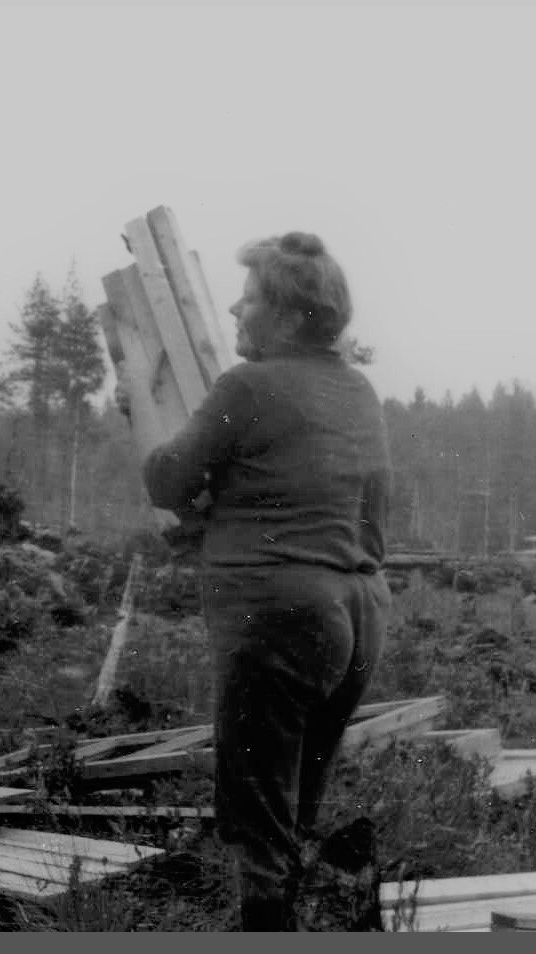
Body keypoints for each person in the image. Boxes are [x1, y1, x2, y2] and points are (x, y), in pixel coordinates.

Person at [142, 231, 392, 931]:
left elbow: (167, 480)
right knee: (298, 794)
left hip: (279, 612)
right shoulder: (359, 390)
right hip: (359, 613)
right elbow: (371, 514)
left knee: (258, 804)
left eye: (248, 298)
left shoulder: (246, 386)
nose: (234, 309)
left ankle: (267, 923)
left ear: (284, 316)